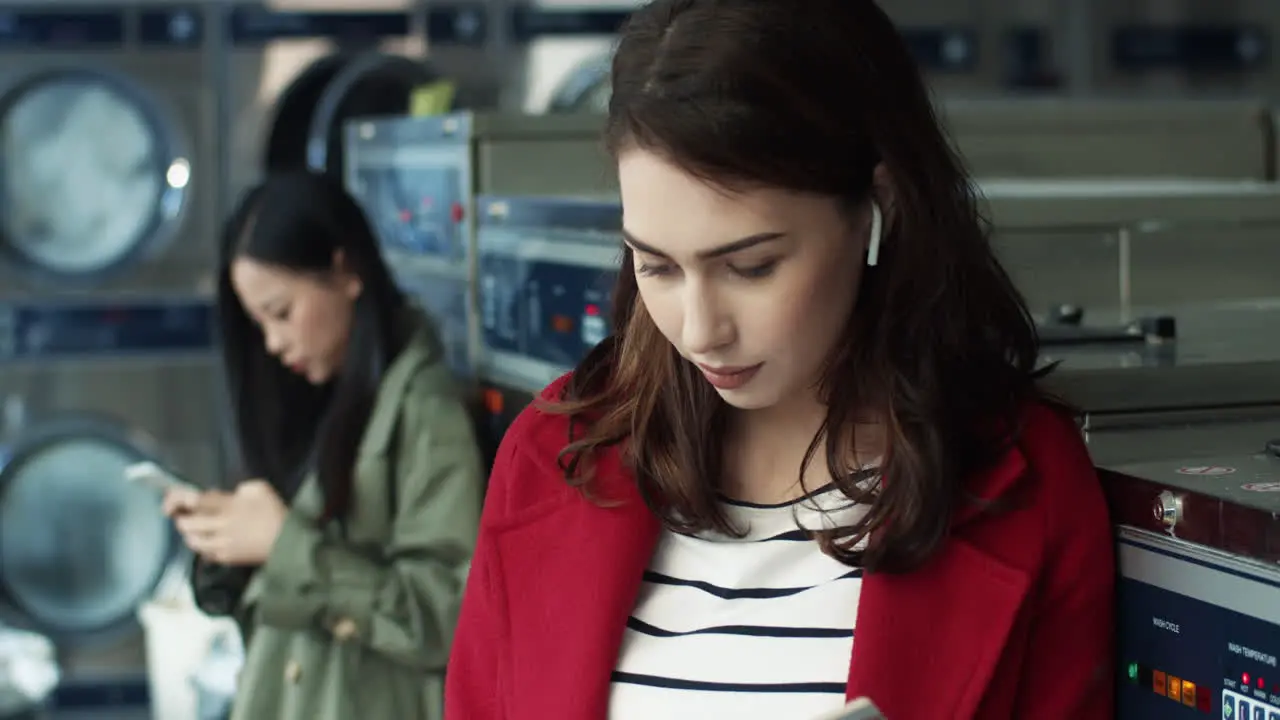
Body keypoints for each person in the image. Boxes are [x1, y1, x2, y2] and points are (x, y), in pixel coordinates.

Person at [445, 1, 1115, 718]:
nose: (701, 331)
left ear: (876, 208)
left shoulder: (1028, 489)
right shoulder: (552, 459)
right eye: (657, 267)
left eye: (752, 267)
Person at [162, 171, 484, 720]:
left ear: (345, 270)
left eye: (282, 312)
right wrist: (227, 540)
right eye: (258, 322)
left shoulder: (424, 413)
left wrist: (284, 544)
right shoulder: (324, 398)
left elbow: (449, 619)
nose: (273, 342)